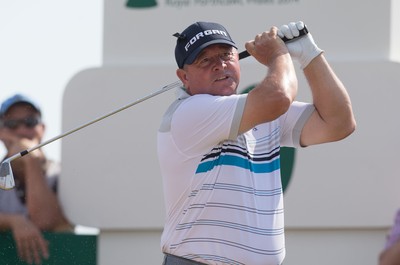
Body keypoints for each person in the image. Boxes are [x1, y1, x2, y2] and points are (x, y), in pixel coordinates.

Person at [157, 20, 356, 265]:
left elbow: (339, 123)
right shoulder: (189, 112)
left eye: (226, 55)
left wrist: (310, 54)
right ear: (184, 77)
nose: (220, 65)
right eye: (204, 60)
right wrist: (278, 55)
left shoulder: (260, 113)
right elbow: (278, 96)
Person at [0, 94, 72, 265]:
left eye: (30, 122)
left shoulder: (64, 174)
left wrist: (31, 161)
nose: (22, 131)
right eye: (12, 124)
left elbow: (44, 220)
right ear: (1, 132)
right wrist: (13, 221)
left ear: (42, 128)